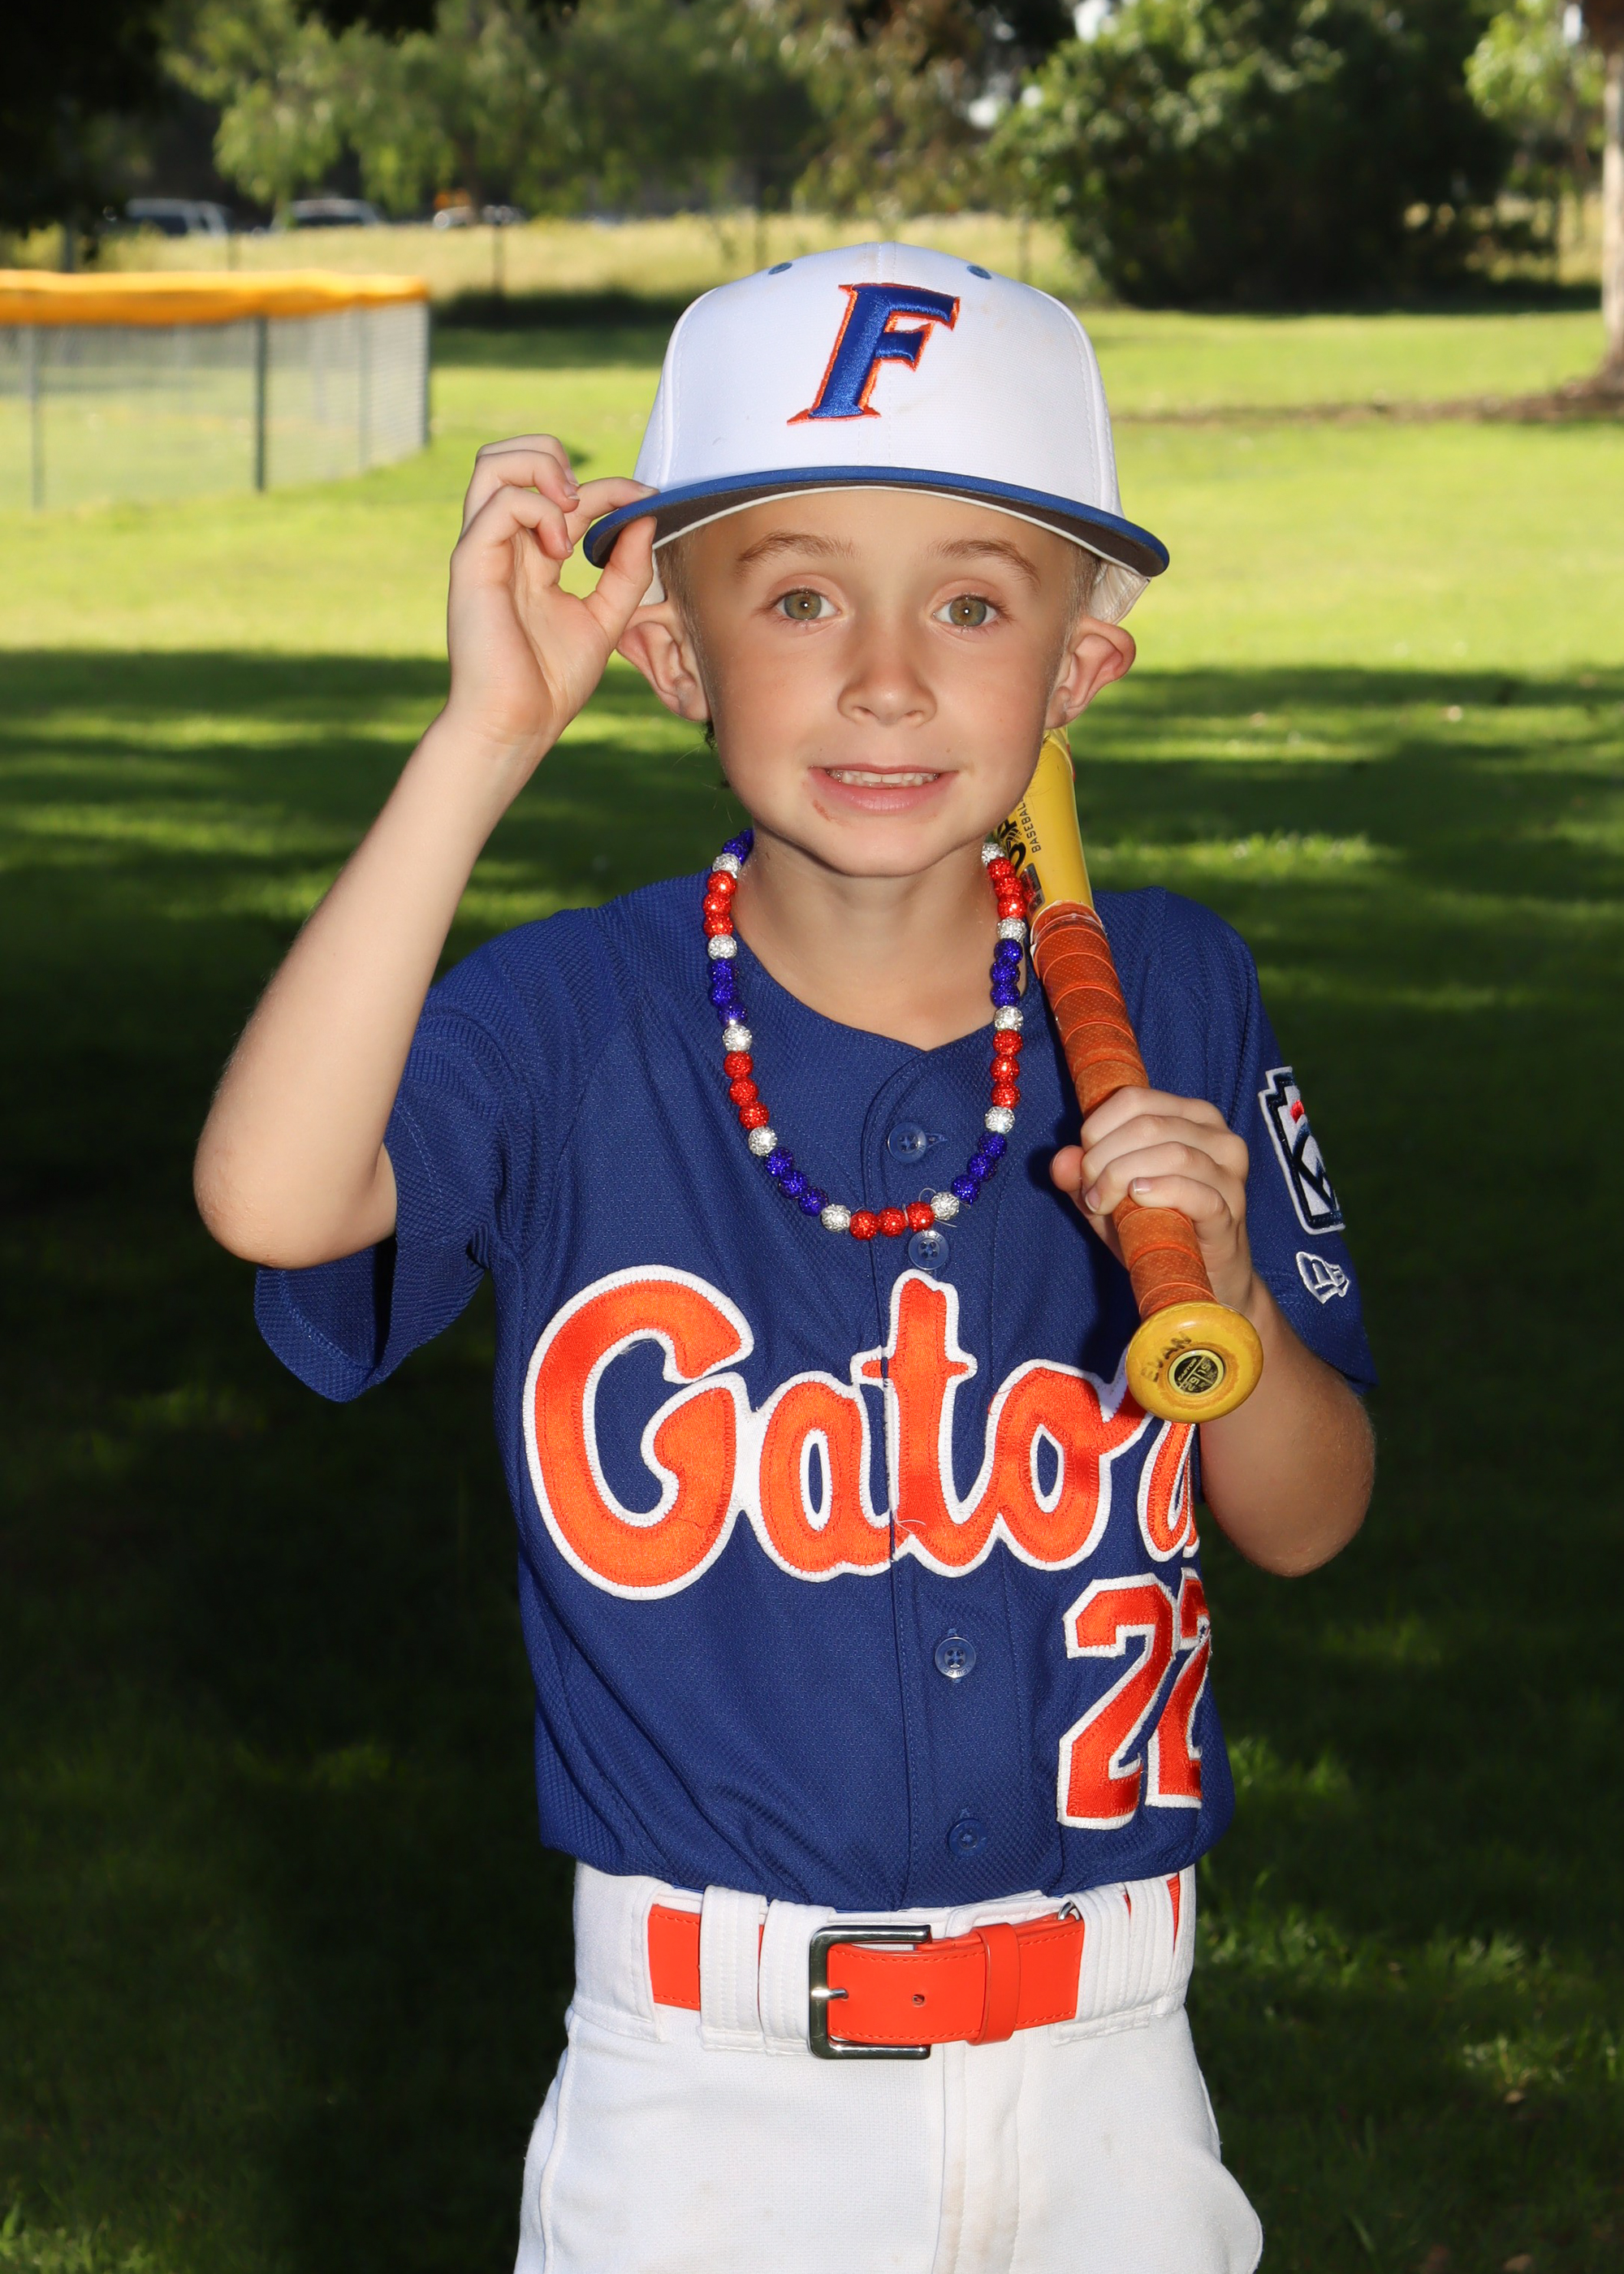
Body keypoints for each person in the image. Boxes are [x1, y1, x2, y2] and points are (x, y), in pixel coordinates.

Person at [195, 243, 1376, 2272]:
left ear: (1079, 670)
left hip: (1114, 2072)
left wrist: (1238, 1297)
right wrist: (482, 742)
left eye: (973, 604)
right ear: (669, 649)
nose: (887, 678)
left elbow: (1307, 1515)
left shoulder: (1173, 989)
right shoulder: (571, 1017)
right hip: (711, 2094)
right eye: (801, 596)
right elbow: (274, 1201)